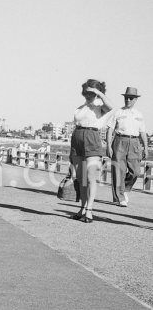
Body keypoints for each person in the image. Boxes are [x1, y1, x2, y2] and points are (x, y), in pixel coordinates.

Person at [69, 79, 113, 223]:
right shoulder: (81, 107)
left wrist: (98, 93)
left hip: (92, 137)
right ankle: (82, 208)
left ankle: (89, 210)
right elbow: (76, 122)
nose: (88, 94)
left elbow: (111, 107)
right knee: (81, 178)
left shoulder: (100, 105)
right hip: (77, 138)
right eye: (86, 91)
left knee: (91, 177)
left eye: (91, 92)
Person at [106, 87, 148, 207]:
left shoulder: (139, 114)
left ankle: (124, 188)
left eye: (130, 98)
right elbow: (110, 130)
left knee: (135, 171)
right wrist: (108, 146)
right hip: (120, 141)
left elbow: (143, 132)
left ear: (135, 100)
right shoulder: (118, 112)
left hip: (135, 143)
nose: (128, 100)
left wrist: (145, 147)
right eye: (126, 98)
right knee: (118, 170)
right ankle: (120, 198)